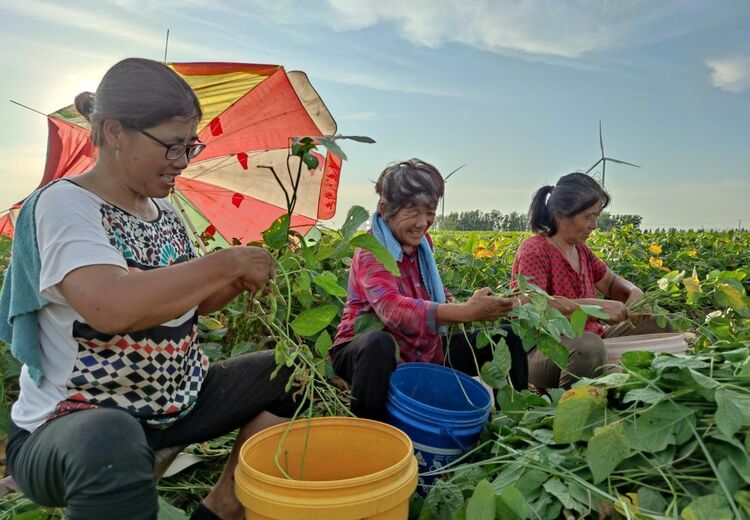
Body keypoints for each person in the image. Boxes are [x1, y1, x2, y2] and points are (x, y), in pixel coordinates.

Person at [1, 58, 300, 520]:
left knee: (289, 374)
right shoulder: (67, 204)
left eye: (190, 147)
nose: (182, 162)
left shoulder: (165, 214)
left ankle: (221, 506)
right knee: (111, 439)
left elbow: (187, 307)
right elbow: (110, 306)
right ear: (115, 132)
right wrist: (222, 262)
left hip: (174, 404)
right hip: (75, 424)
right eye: (171, 146)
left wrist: (231, 282)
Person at [331, 159, 528, 421]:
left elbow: (434, 289)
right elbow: (391, 310)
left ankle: (516, 425)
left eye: (430, 211)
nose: (423, 222)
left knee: (508, 339)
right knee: (379, 344)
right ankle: (370, 433)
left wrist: (470, 304)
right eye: (412, 211)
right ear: (385, 208)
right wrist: (466, 312)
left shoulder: (423, 243)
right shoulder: (371, 247)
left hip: (421, 348)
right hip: (364, 354)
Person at [511, 172, 670, 389]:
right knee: (588, 346)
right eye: (588, 216)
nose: (594, 225)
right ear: (560, 215)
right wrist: (594, 306)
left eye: (596, 216)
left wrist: (634, 292)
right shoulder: (534, 250)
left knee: (658, 323)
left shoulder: (582, 251)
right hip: (540, 351)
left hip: (592, 336)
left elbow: (611, 282)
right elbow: (531, 305)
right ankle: (568, 407)